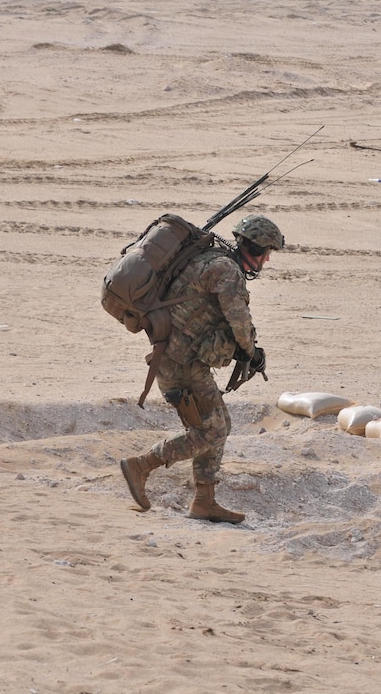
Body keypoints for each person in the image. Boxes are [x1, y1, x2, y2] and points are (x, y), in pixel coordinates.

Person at [119, 214, 284, 524]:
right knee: (211, 431)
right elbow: (239, 321)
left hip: (177, 359)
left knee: (220, 424)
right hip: (181, 366)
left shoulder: (211, 258)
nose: (267, 260)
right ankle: (141, 465)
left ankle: (204, 501)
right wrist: (253, 352)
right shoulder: (227, 272)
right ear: (260, 251)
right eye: (268, 253)